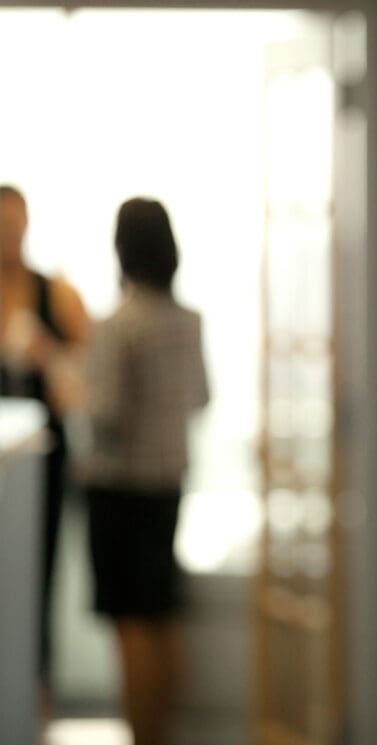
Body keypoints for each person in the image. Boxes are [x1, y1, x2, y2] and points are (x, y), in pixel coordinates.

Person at [79, 198, 208, 745]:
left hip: (120, 487)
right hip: (167, 483)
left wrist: (70, 383)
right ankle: (165, 733)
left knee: (130, 622)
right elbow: (201, 397)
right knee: (161, 613)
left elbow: (105, 412)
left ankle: (143, 736)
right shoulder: (188, 322)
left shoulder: (118, 325)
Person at [0, 184, 91, 696]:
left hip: (39, 465)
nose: (7, 236)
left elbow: (87, 386)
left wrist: (46, 355)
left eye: (14, 226)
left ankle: (35, 696)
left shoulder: (56, 293)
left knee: (37, 578)